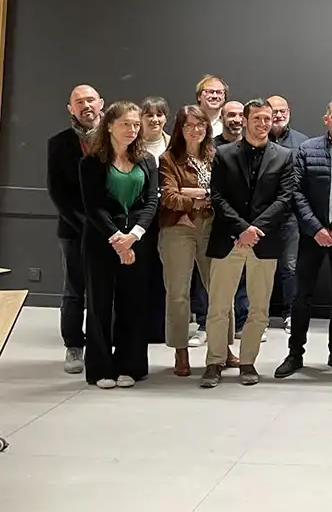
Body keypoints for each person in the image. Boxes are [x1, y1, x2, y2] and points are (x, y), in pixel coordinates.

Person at [201, 99, 297, 388]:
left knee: (259, 308)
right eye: (257, 118)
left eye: (267, 118)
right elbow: (217, 196)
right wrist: (242, 228)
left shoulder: (284, 156)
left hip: (263, 242)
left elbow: (285, 198)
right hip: (228, 239)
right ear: (245, 120)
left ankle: (247, 362)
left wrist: (255, 229)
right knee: (219, 305)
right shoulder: (223, 153)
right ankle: (215, 361)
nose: (263, 124)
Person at [275, 98, 332, 379]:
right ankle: (295, 354)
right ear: (326, 119)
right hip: (311, 235)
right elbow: (295, 191)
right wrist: (315, 228)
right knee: (302, 295)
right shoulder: (307, 149)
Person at [78, 101, 158, 387]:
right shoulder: (91, 161)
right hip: (102, 241)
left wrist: (133, 236)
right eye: (126, 123)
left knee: (133, 304)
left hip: (137, 241)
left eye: (136, 125)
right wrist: (117, 239)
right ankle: (100, 369)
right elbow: (93, 206)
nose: (132, 130)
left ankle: (130, 365)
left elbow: (151, 201)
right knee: (99, 304)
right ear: (110, 125)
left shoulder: (147, 160)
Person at [158, 105, 238, 377]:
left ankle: (223, 347)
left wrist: (191, 191)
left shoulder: (216, 155)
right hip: (178, 228)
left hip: (212, 227)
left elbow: (224, 192)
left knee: (220, 290)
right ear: (180, 128)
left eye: (200, 125)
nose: (195, 130)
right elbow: (169, 197)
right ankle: (180, 350)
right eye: (189, 125)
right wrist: (196, 198)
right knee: (178, 293)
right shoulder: (169, 158)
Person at [47, 84, 104, 374]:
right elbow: (57, 192)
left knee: (103, 291)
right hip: (73, 231)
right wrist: (86, 225)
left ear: (101, 103)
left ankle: (100, 346)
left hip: (110, 230)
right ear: (71, 109)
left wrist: (107, 226)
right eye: (79, 102)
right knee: (74, 290)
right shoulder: (59, 143)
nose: (86, 106)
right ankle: (73, 345)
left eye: (90, 100)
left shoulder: (114, 137)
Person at [191, 99, 249, 344]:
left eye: (240, 115)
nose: (235, 120)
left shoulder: (252, 147)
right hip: (213, 220)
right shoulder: (209, 147)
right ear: (221, 119)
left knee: (243, 275)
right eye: (230, 115)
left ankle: (241, 323)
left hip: (244, 221)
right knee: (210, 277)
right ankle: (205, 324)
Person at [266, 94, 308, 334]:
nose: (279, 115)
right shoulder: (255, 139)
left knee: (290, 267)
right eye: (274, 111)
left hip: (291, 215)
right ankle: (256, 317)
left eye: (283, 111)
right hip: (261, 215)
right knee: (258, 268)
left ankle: (290, 314)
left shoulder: (302, 142)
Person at [138, 97, 170, 346]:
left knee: (164, 273)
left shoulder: (173, 144)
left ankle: (160, 328)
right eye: (149, 115)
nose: (154, 119)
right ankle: (138, 326)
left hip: (168, 218)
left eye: (159, 114)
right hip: (139, 218)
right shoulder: (132, 144)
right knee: (140, 271)